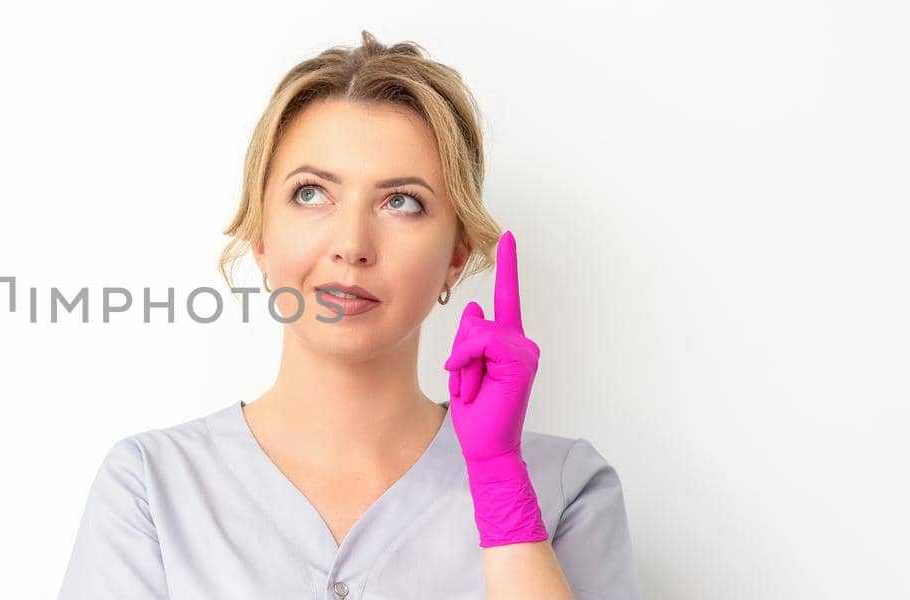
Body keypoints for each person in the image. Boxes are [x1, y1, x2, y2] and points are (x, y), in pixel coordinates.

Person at [57, 31, 640, 599]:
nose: (351, 244)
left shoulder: (566, 488)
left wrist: (497, 482)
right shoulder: (150, 487)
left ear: (455, 258)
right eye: (311, 193)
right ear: (261, 235)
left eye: (401, 202)